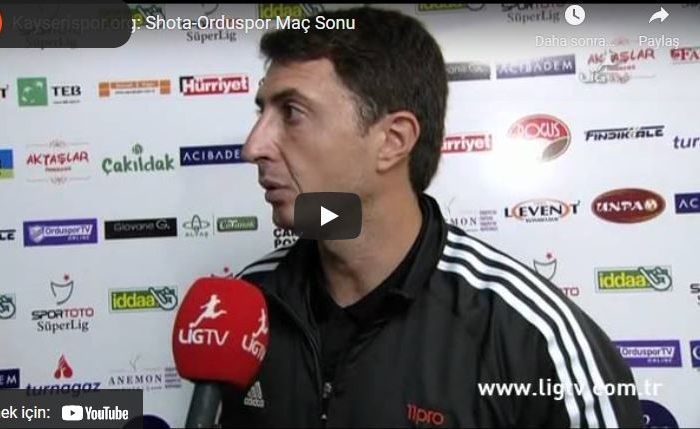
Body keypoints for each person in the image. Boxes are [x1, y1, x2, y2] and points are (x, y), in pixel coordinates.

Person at [222, 6, 643, 428]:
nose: (253, 147)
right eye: (261, 113)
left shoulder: (531, 338)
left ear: (392, 141)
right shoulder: (247, 304)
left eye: (291, 113)